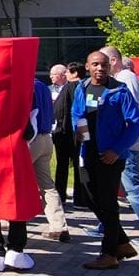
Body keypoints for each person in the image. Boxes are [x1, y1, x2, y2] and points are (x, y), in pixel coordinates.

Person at [72, 50, 139, 269]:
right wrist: (79, 130)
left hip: (110, 156)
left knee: (108, 203)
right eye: (95, 64)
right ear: (87, 66)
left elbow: (136, 123)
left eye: (104, 65)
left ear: (110, 67)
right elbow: (77, 113)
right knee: (90, 198)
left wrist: (117, 150)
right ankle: (122, 243)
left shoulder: (119, 90)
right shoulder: (82, 87)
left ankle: (109, 254)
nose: (100, 68)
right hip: (87, 152)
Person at [100, 46, 139, 233]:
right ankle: (107, 225)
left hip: (129, 144)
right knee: (113, 185)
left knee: (133, 188)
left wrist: (120, 143)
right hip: (124, 143)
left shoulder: (126, 79)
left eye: (104, 62)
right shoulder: (122, 79)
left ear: (114, 60)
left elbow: (130, 114)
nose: (101, 67)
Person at [30, 75, 70, 241]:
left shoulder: (26, 86)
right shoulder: (43, 87)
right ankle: (59, 225)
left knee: (13, 179)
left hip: (32, 139)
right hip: (46, 137)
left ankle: (7, 219)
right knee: (47, 185)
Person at [53, 61, 86, 206]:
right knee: (80, 164)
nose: (65, 74)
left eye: (67, 71)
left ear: (75, 73)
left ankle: (60, 194)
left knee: (62, 165)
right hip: (81, 130)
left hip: (66, 132)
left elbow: (60, 110)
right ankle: (81, 197)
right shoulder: (86, 86)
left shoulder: (70, 87)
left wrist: (58, 128)